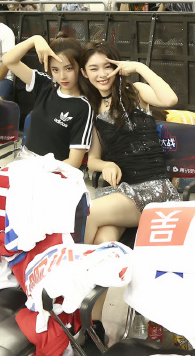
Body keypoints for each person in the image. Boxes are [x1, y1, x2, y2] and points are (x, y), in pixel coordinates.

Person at [79, 40, 179, 344]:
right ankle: (93, 326)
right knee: (104, 243)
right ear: (84, 73)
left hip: (155, 189)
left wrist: (138, 68)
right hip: (123, 193)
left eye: (107, 66)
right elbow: (93, 159)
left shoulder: (136, 92)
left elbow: (170, 99)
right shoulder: (91, 109)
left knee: (88, 214)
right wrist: (106, 163)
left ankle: (71, 285)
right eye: (94, 69)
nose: (101, 74)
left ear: (117, 66)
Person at [1, 32, 93, 167]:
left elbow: (74, 162)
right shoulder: (45, 85)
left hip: (55, 172)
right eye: (55, 70)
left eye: (68, 68)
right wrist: (34, 39)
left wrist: (42, 170)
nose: (62, 76)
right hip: (25, 163)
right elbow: (8, 60)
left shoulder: (83, 107)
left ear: (80, 67)